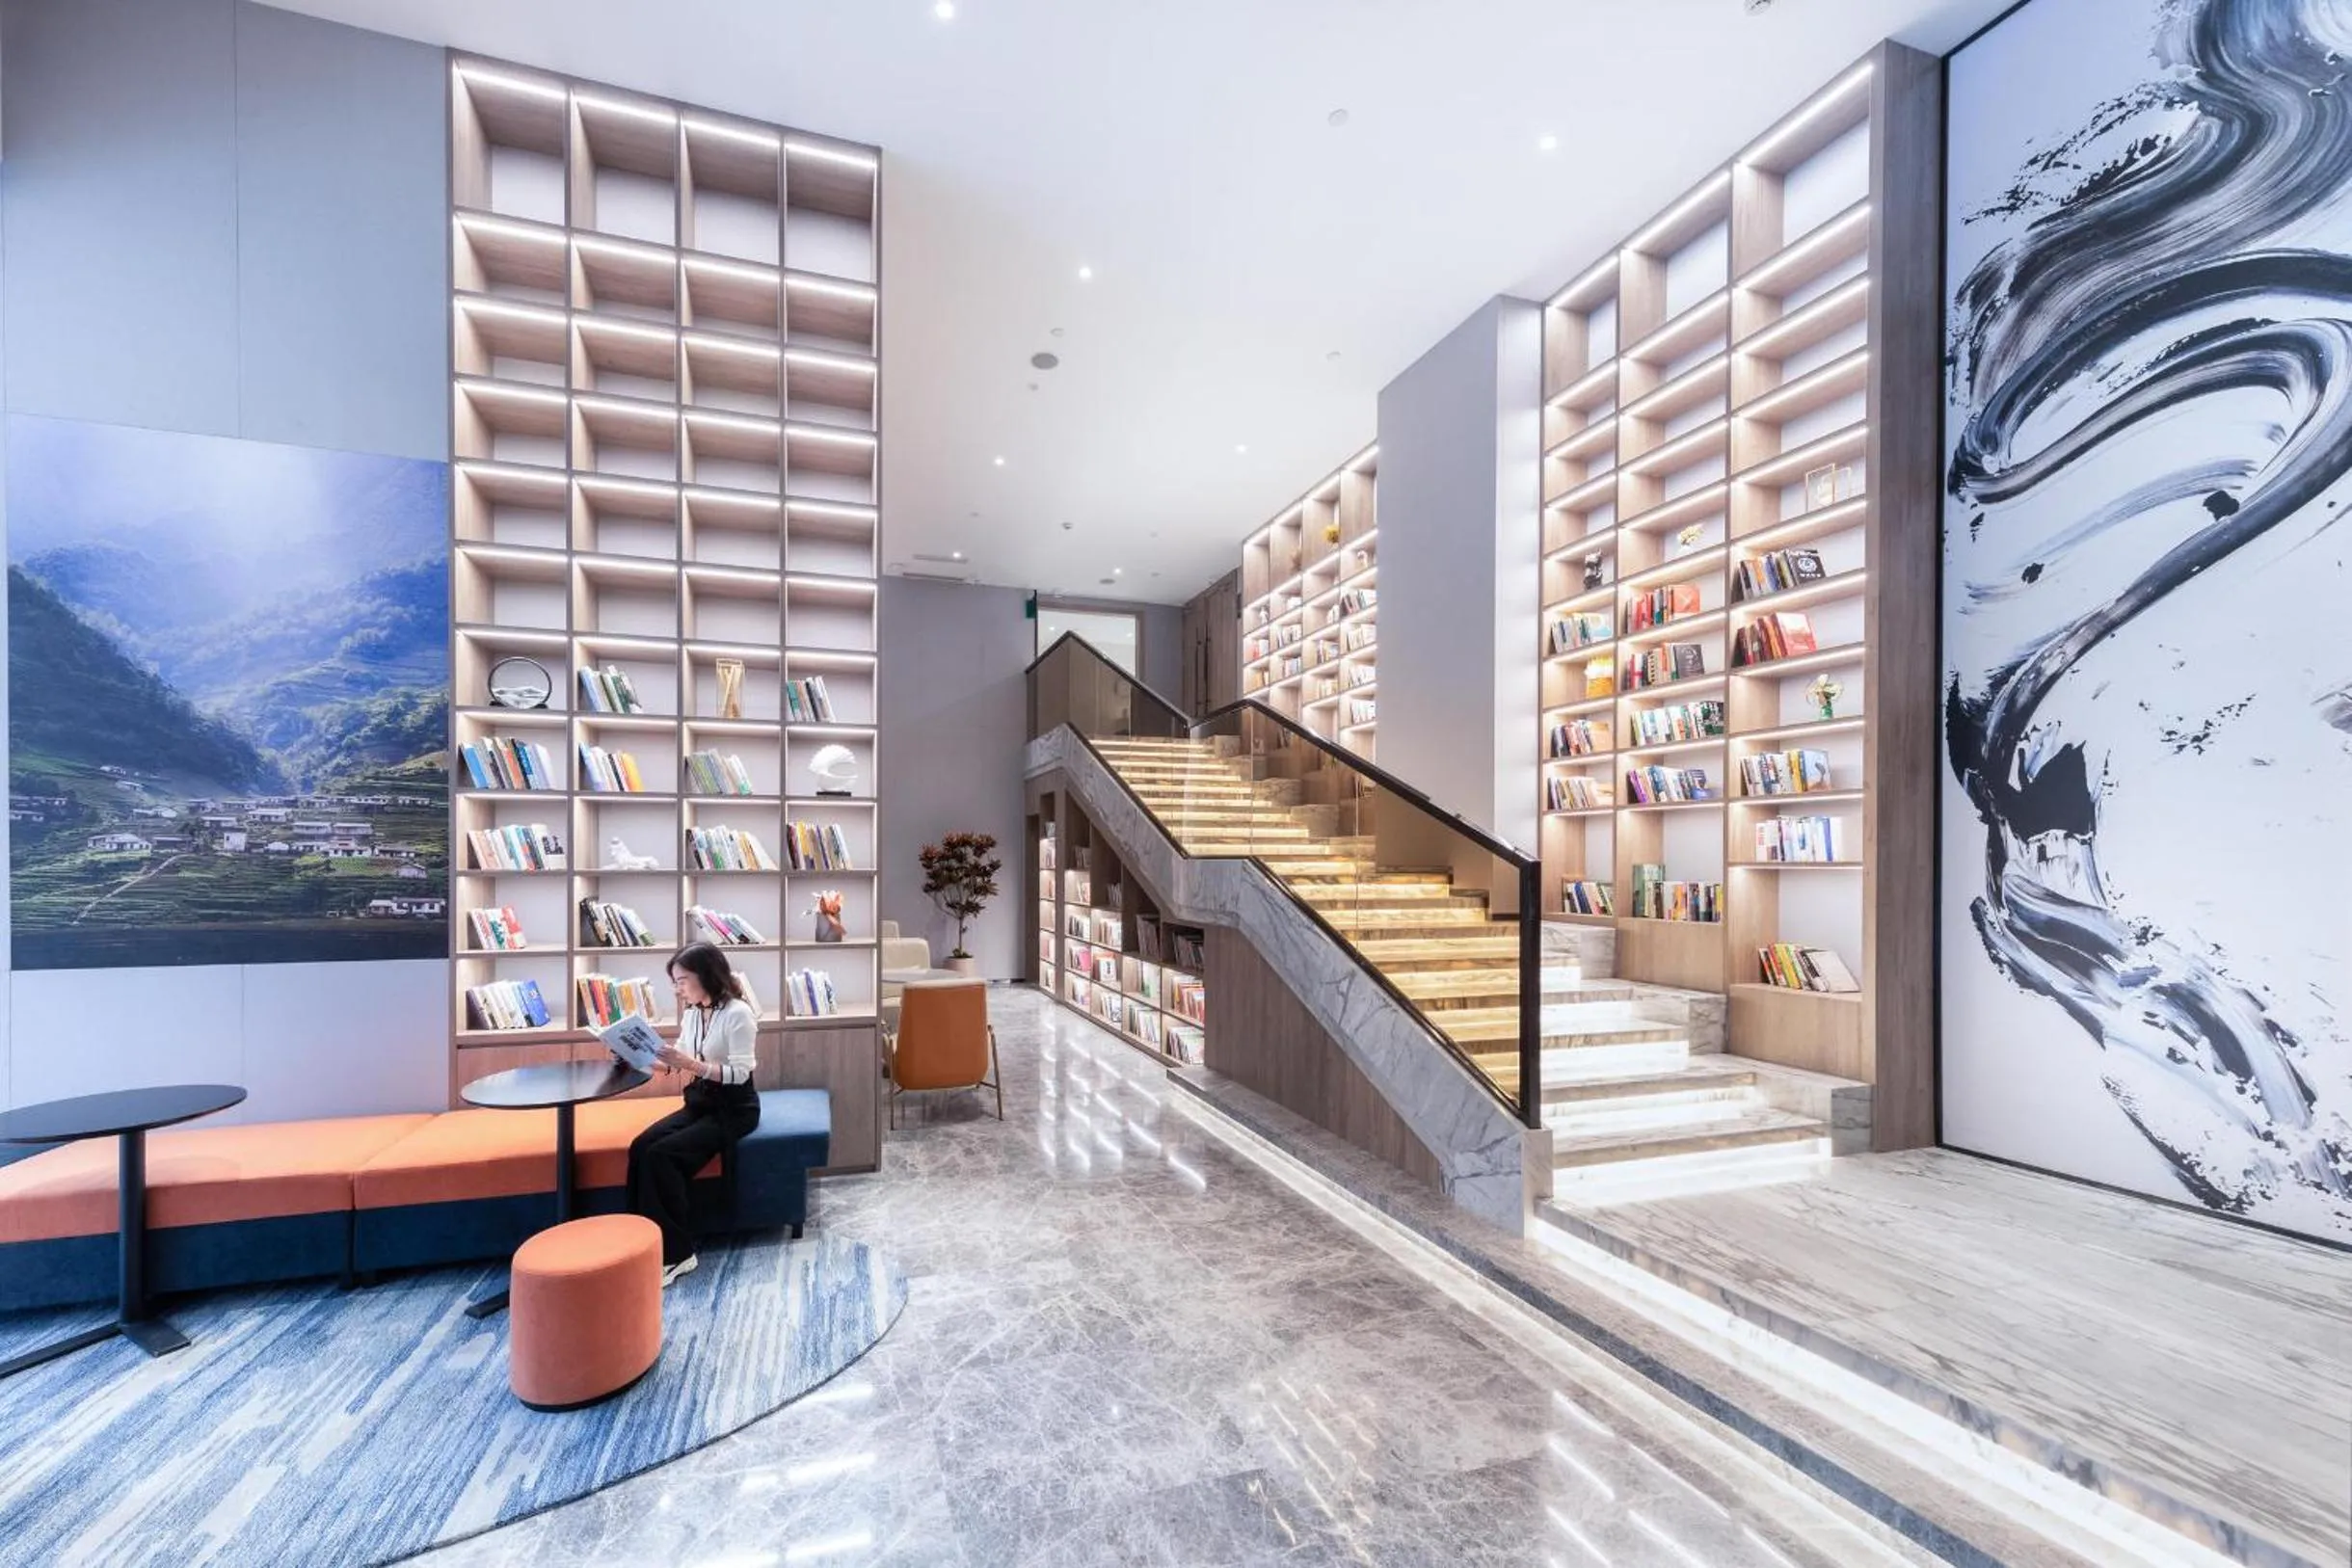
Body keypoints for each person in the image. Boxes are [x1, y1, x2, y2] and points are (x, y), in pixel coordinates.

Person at [627, 942, 761, 1286]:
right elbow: (676, 1062)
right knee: (641, 1146)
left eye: (682, 980)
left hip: (734, 1108)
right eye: (675, 981)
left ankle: (678, 1254)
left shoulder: (738, 1014)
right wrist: (633, 1056)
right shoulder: (692, 1014)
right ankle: (642, 1240)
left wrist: (690, 1064)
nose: (678, 988)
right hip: (699, 1102)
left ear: (706, 975)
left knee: (662, 1156)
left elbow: (741, 1073)